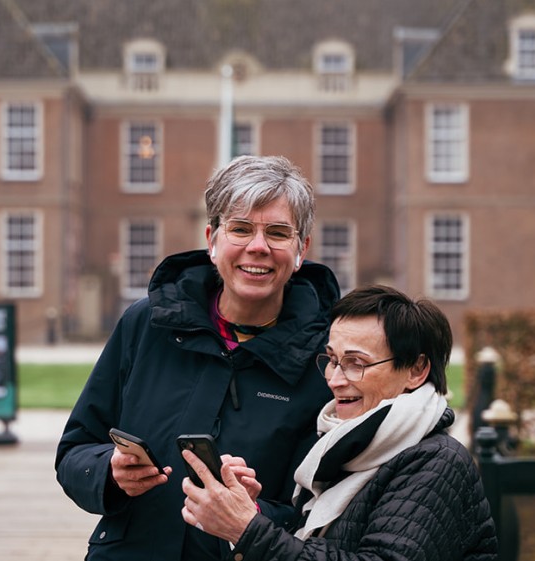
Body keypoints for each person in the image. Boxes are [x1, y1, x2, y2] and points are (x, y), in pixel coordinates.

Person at [55, 155, 340, 560]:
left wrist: (252, 515)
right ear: (212, 239)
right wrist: (108, 470)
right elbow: (76, 450)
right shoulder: (147, 323)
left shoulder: (327, 358)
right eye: (240, 229)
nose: (258, 247)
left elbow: (326, 505)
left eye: (278, 233)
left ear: (300, 250)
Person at [181, 285, 499, 560]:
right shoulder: (346, 444)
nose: (334, 380)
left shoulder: (438, 462)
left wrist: (247, 529)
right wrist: (251, 511)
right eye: (332, 360)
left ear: (416, 371)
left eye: (355, 364)